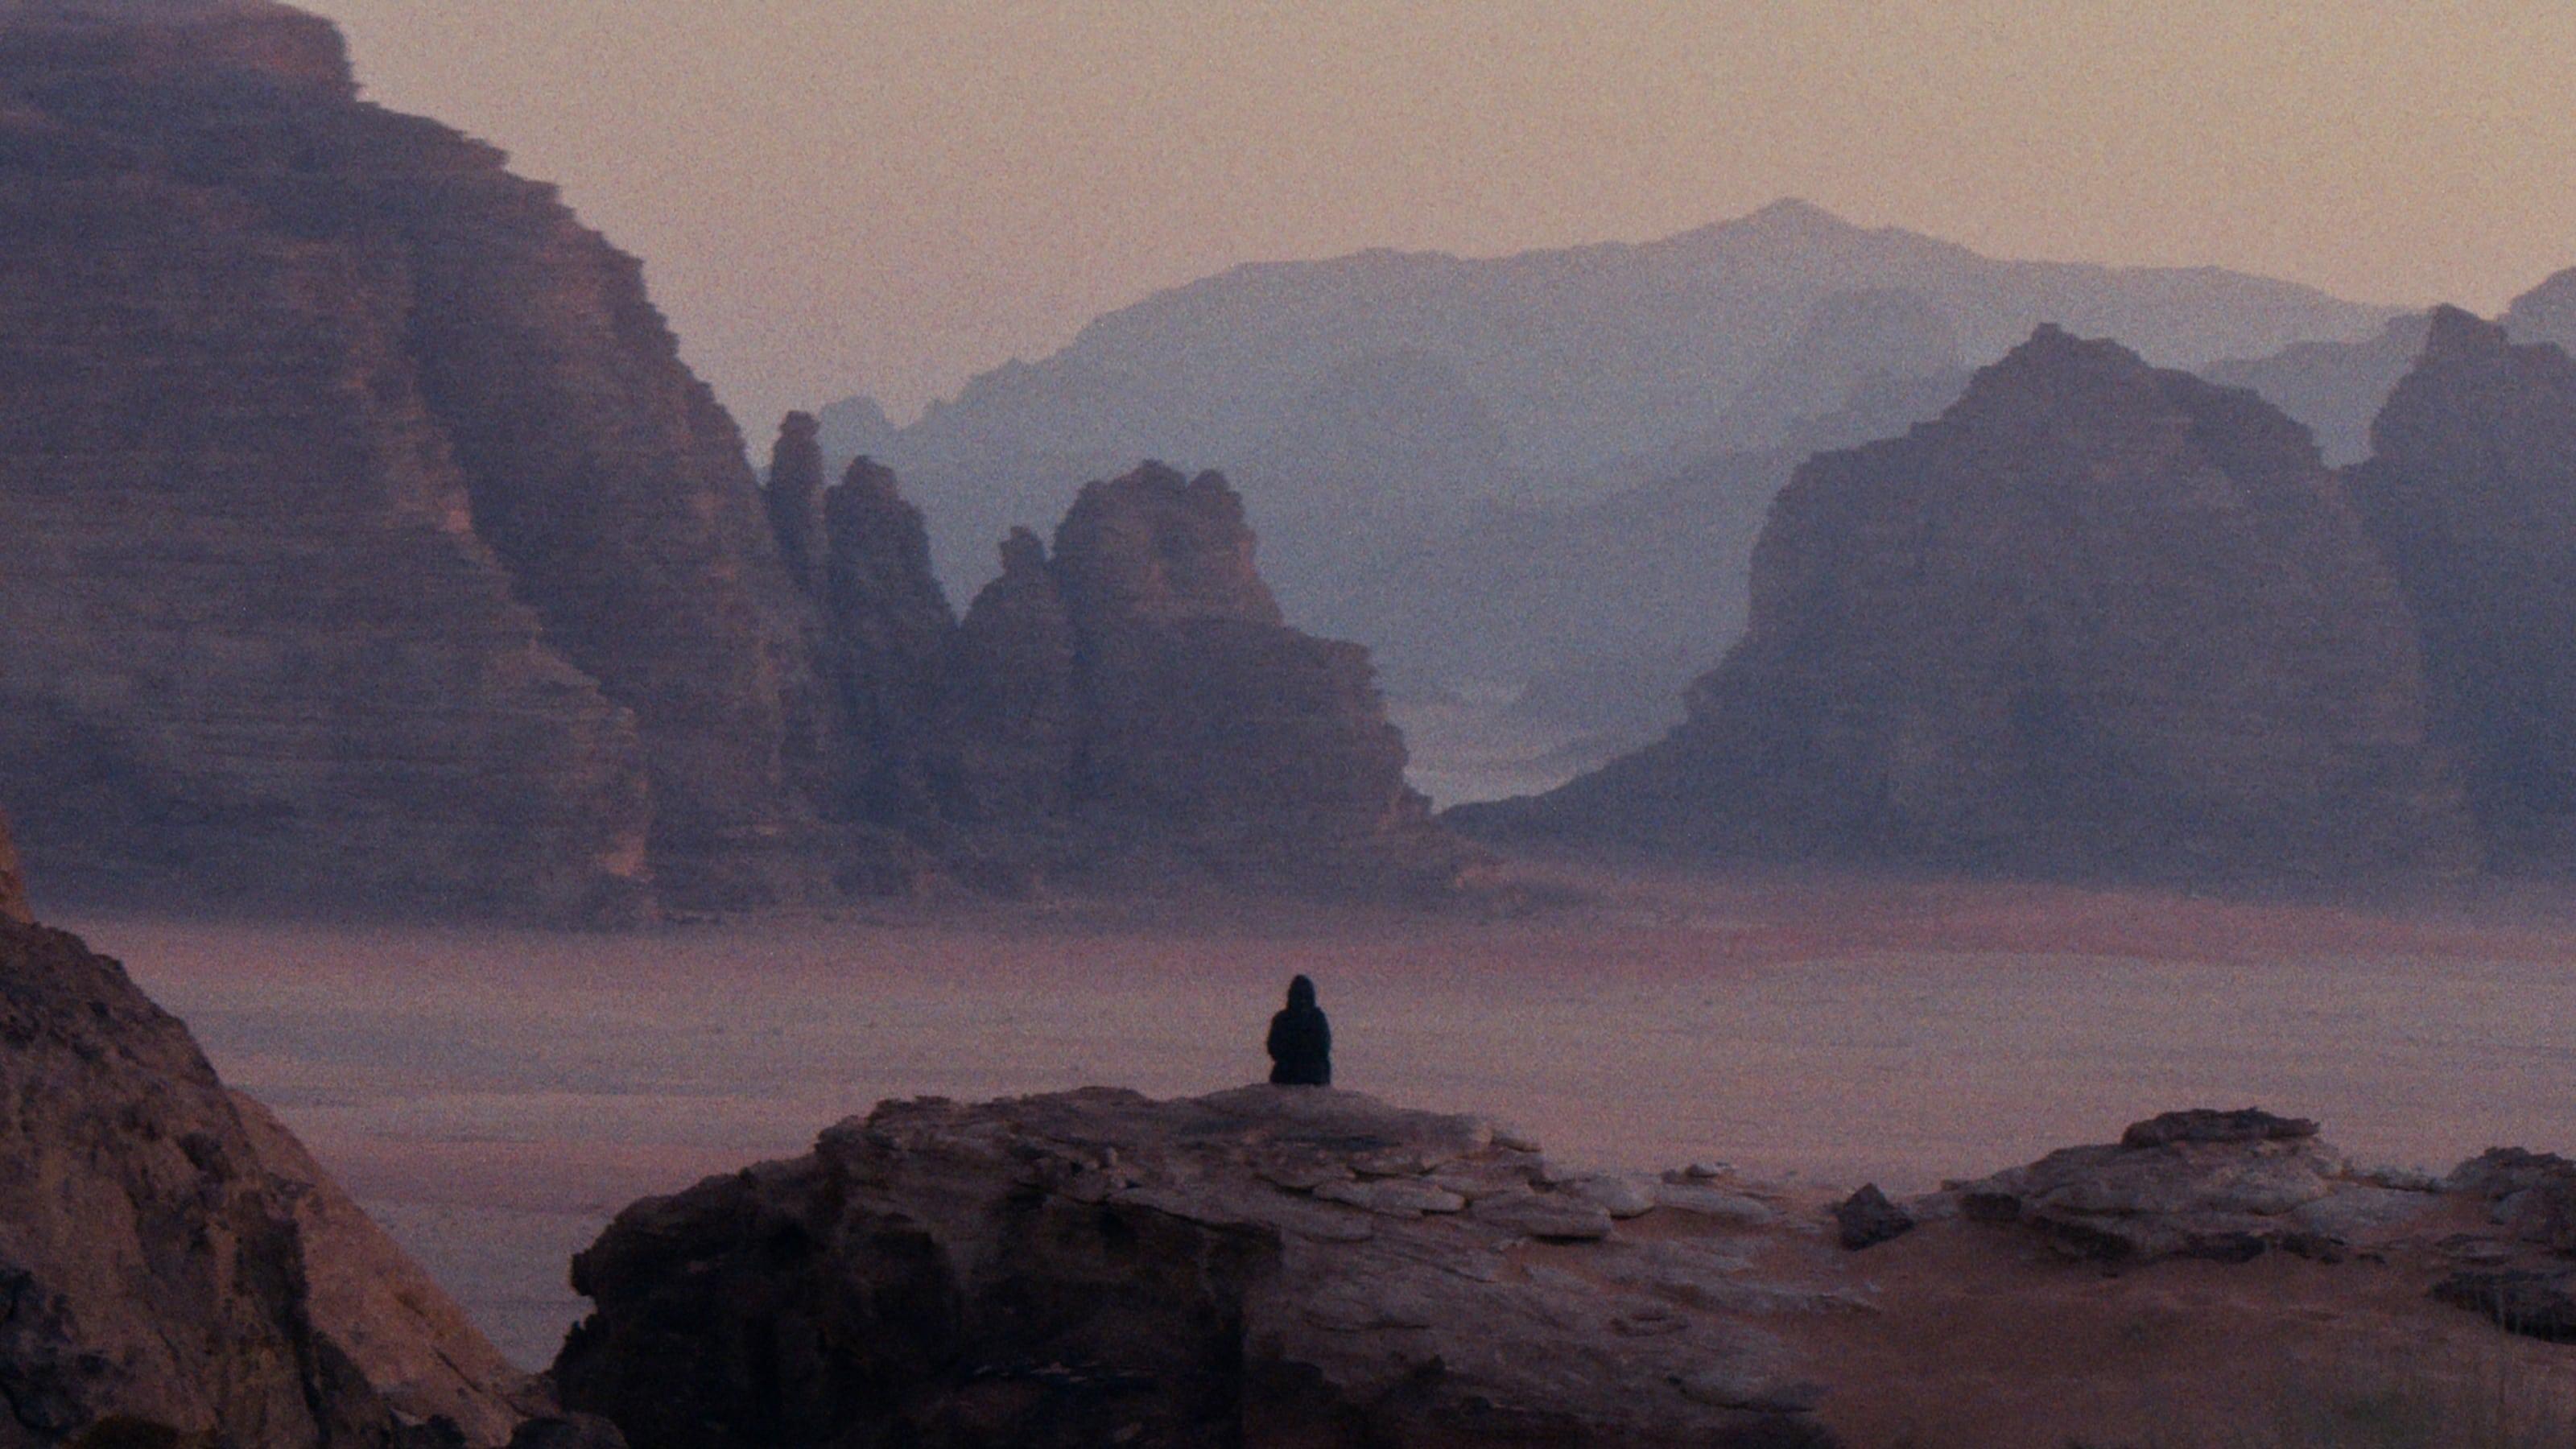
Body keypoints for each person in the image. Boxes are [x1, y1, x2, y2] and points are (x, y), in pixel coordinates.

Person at [1265, 975, 1331, 1086]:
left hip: (1311, 1076)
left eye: (1305, 997)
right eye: (1299, 996)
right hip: (1289, 1075)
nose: (1302, 1001)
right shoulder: (1283, 1019)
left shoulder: (1316, 1018)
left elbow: (1323, 1047)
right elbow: (1274, 1048)